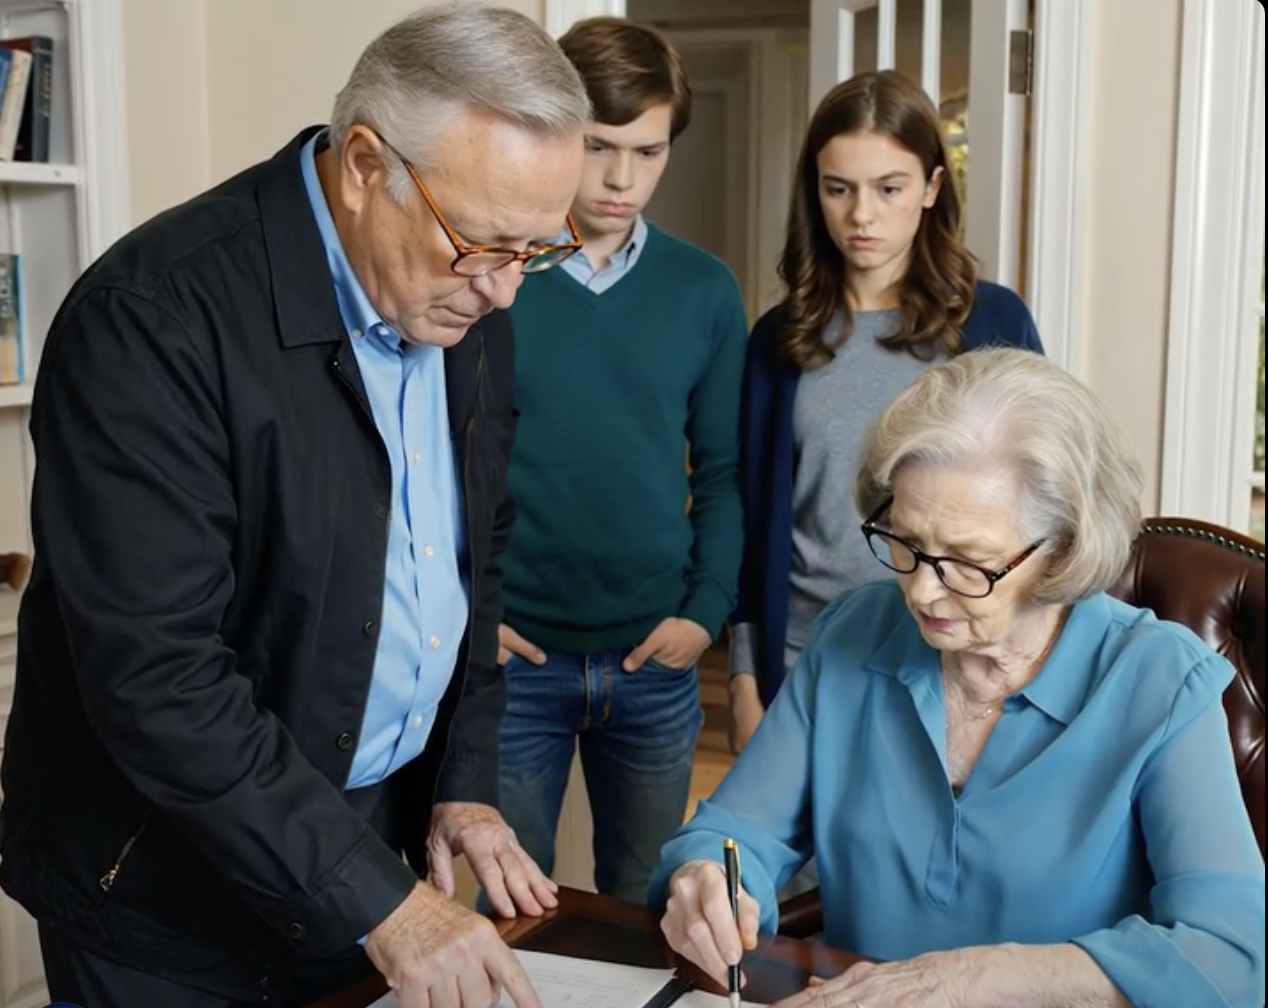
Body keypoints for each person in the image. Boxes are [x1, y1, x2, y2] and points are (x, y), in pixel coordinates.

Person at [0, 6, 590, 1008]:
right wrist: (382, 903)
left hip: (354, 848)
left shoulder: (466, 304)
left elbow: (469, 562)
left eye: (535, 250)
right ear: (363, 165)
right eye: (483, 243)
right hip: (158, 892)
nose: (504, 293)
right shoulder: (150, 319)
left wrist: (460, 781)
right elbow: (158, 677)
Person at [651, 347, 1267, 1008]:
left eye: (969, 562)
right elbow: (735, 831)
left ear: (1063, 549)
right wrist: (704, 877)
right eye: (906, 542)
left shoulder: (1162, 683)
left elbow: (1233, 955)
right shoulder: (854, 633)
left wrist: (973, 979)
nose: (921, 592)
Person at [492, 17, 748, 904]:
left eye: (648, 152)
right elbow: (433, 462)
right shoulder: (493, 272)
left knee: (646, 904)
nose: (620, 179)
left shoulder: (704, 290)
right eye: (598, 146)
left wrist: (706, 614)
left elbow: (723, 472)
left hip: (653, 659)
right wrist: (469, 613)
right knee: (510, 904)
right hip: (515, 659)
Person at [726, 70, 1044, 756]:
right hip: (808, 658)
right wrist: (745, 675)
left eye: (889, 189)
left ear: (931, 187)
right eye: (838, 189)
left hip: (955, 661)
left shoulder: (995, 321)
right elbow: (752, 515)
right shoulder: (778, 339)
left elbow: (1041, 506)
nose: (861, 216)